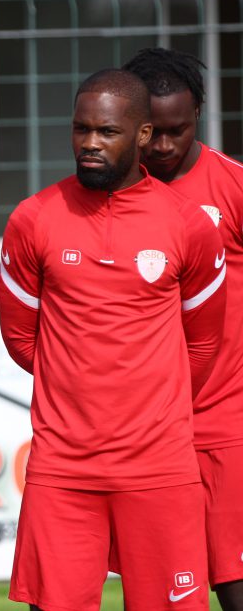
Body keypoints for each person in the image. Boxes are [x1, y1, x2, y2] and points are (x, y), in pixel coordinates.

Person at [0, 68, 226, 611]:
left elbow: (201, 345)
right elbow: (21, 339)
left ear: (143, 135)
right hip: (63, 467)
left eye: (107, 131)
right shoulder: (34, 218)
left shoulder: (189, 224)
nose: (90, 143)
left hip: (160, 466)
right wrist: (79, 387)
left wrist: (150, 402)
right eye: (81, 129)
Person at [124, 47, 243, 611]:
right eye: (154, 132)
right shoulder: (105, 196)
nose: (165, 146)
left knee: (235, 583)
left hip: (225, 422)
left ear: (198, 114)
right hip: (142, 429)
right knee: (160, 591)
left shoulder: (233, 187)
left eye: (180, 130)